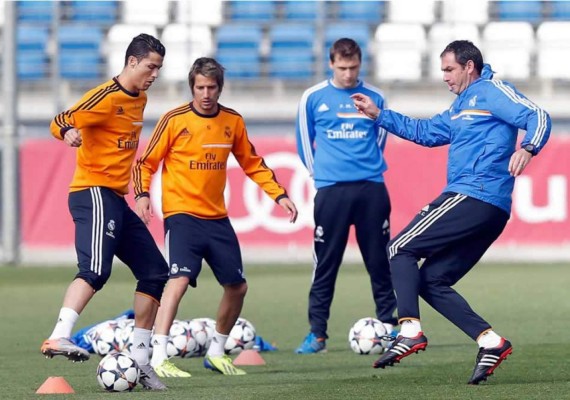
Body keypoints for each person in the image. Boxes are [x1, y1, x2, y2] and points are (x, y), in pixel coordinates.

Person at [352, 40, 551, 384]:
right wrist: (379, 115)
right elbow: (426, 132)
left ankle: (409, 330)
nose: (444, 77)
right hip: (488, 208)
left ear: (469, 66)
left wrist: (529, 148)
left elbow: (538, 116)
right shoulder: (460, 106)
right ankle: (490, 341)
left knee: (399, 249)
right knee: (430, 280)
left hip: (475, 194)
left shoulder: (491, 91)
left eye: (448, 69)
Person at [133, 57, 298, 377]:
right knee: (177, 280)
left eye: (211, 87)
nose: (205, 93)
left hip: (217, 219)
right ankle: (158, 358)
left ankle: (217, 351)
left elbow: (252, 163)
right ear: (192, 88)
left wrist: (279, 194)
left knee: (237, 287)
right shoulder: (174, 119)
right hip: (182, 216)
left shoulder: (232, 121)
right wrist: (141, 195)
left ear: (220, 88)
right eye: (200, 87)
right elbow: (145, 163)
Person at [41, 33, 169, 391]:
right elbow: (60, 118)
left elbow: (125, 152)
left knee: (155, 272)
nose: (155, 74)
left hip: (116, 197)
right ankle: (58, 336)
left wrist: (140, 193)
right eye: (150, 66)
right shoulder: (105, 97)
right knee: (96, 269)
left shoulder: (140, 99)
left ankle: (141, 362)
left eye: (158, 67)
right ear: (132, 62)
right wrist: (67, 132)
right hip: (92, 192)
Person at [294, 38, 398, 354]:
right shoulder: (313, 97)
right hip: (332, 192)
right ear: (331, 64)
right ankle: (317, 335)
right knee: (326, 263)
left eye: (353, 68)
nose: (348, 74)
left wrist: (365, 169)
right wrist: (321, 177)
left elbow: (380, 136)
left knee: (380, 261)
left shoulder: (375, 96)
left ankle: (390, 329)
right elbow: (303, 140)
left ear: (360, 64)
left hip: (371, 189)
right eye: (342, 68)